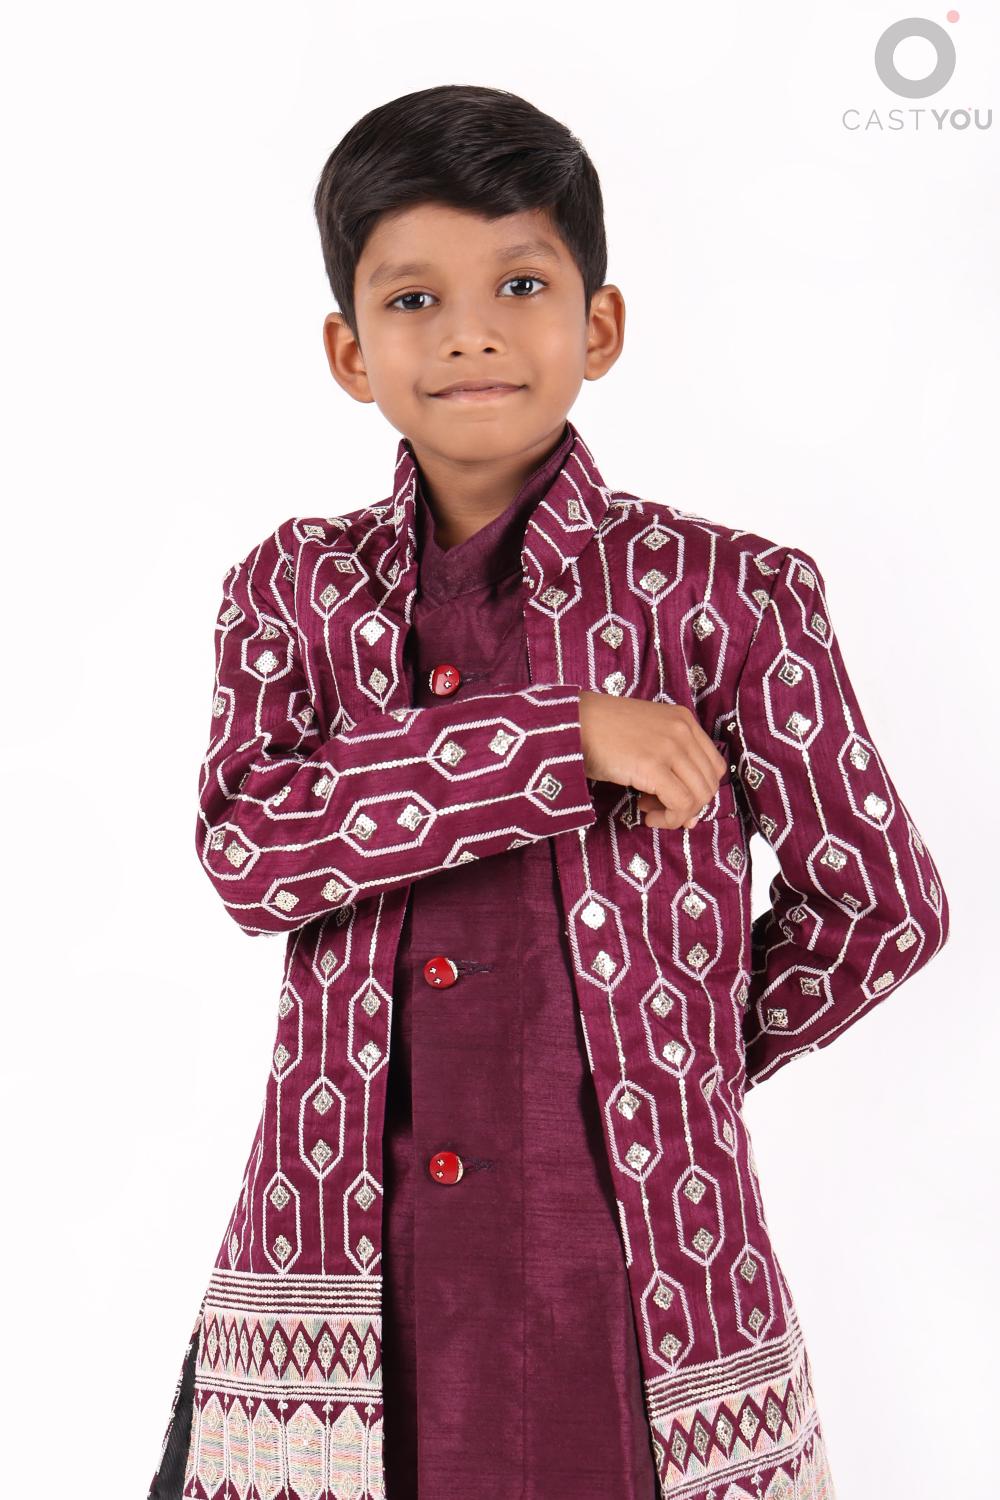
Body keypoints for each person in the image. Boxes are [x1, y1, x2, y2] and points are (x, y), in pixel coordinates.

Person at [147, 83, 950, 1500]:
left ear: (601, 326)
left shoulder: (728, 597)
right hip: (348, 1271)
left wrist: (666, 1066)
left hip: (627, 1275)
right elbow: (251, 852)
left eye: (521, 284)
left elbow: (881, 906)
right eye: (414, 299)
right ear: (349, 352)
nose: (470, 332)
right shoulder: (296, 588)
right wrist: (558, 738)